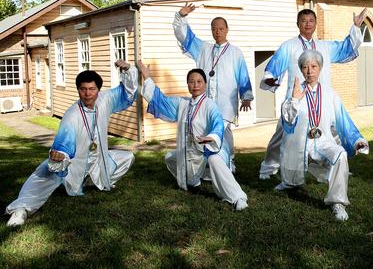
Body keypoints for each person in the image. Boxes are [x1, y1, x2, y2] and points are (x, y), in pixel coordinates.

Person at [6, 61, 138, 227]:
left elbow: (127, 92)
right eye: (83, 89)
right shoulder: (72, 115)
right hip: (74, 163)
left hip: (99, 160)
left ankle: (90, 181)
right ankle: (21, 210)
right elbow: (63, 144)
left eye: (92, 89)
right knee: (43, 174)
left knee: (127, 157)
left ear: (98, 90)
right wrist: (59, 155)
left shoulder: (105, 100)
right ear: (78, 90)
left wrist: (128, 71)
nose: (88, 94)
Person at [259, 8, 368, 179]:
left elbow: (346, 47)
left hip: (322, 99)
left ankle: (337, 166)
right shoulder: (289, 46)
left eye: (311, 20)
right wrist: (271, 77)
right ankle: (268, 168)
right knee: (282, 134)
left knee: (332, 133)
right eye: (304, 20)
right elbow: (276, 63)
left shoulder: (325, 46)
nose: (308, 24)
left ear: (316, 24)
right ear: (298, 24)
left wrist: (355, 26)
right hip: (297, 98)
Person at [137, 61, 248, 211]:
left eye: (199, 82)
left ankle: (237, 197)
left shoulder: (210, 105)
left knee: (214, 160)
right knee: (170, 157)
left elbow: (218, 123)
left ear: (205, 84)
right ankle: (194, 181)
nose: (195, 85)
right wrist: (147, 77)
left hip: (209, 149)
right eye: (191, 82)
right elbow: (160, 100)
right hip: (190, 150)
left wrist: (211, 137)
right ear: (188, 84)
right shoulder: (182, 103)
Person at [278, 50, 369, 221]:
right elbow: (288, 121)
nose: (310, 71)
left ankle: (337, 202)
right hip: (301, 144)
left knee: (340, 154)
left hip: (323, 142)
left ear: (320, 68)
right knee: (292, 179)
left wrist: (357, 140)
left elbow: (344, 121)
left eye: (314, 66)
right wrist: (295, 100)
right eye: (305, 67)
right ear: (301, 70)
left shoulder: (330, 94)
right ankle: (288, 183)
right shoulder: (295, 93)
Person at [173, 3, 253, 170]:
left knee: (223, 132)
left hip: (225, 103)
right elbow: (185, 37)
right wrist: (181, 16)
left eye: (221, 28)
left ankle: (228, 162)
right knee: (205, 130)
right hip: (206, 102)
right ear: (211, 30)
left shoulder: (235, 52)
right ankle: (206, 163)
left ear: (227, 29)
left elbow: (242, 76)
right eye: (214, 29)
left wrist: (245, 97)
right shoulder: (203, 49)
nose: (218, 32)